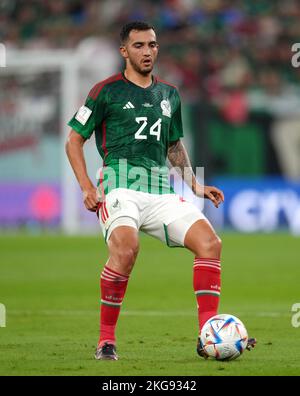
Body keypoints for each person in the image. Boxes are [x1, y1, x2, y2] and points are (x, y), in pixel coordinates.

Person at [66, 21, 256, 361]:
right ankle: (106, 340)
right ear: (124, 51)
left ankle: (206, 334)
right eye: (138, 46)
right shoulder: (105, 91)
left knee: (211, 243)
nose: (147, 51)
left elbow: (173, 145)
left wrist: (195, 184)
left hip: (160, 190)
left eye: (152, 45)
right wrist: (86, 187)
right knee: (126, 251)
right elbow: (74, 140)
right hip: (119, 187)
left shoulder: (169, 93)